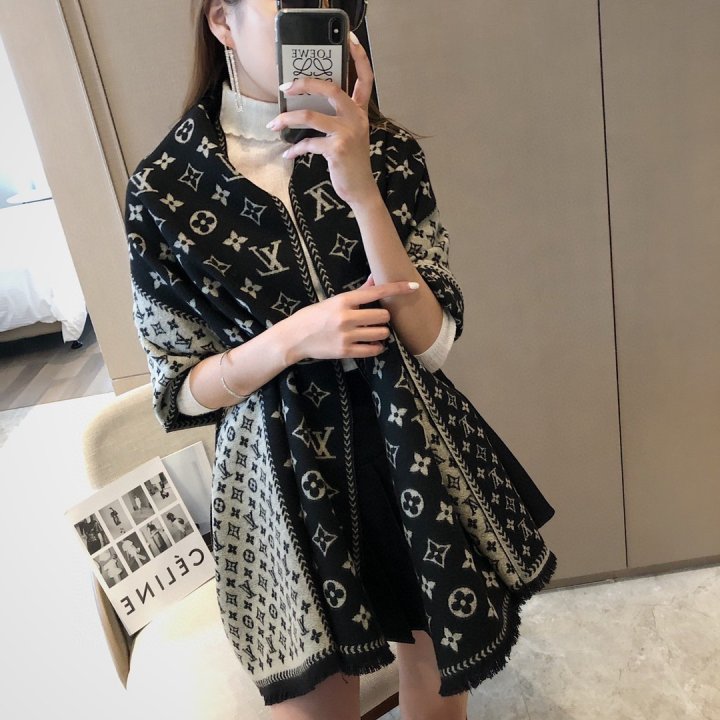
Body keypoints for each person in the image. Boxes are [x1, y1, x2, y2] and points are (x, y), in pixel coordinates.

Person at [123, 1, 557, 718]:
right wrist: (292, 338)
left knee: (435, 679)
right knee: (317, 704)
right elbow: (180, 390)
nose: (317, 11)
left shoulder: (388, 153)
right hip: (280, 475)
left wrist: (360, 188)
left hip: (408, 446)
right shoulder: (163, 188)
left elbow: (434, 342)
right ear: (222, 21)